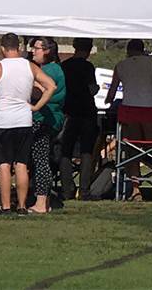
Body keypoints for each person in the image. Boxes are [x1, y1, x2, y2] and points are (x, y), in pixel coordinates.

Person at [0, 33, 57, 215]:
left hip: (3, 120)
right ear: (19, 47)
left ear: (2, 48)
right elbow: (51, 86)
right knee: (21, 164)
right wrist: (36, 106)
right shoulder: (29, 66)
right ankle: (23, 206)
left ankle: (7, 205)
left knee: (4, 164)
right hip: (24, 119)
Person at [105, 39, 152, 200]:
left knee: (132, 150)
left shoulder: (120, 65)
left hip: (129, 112)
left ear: (128, 51)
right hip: (151, 111)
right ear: (143, 49)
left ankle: (136, 189)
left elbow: (111, 93)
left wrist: (108, 101)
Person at [27, 37, 67, 213]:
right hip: (44, 118)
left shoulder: (51, 70)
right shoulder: (49, 69)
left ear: (47, 51)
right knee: (40, 158)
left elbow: (41, 91)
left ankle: (42, 201)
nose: (33, 51)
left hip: (45, 120)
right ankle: (42, 198)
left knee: (40, 158)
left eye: (36, 48)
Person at [59, 38, 100, 200]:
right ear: (89, 49)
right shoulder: (88, 67)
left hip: (68, 111)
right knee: (86, 151)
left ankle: (66, 188)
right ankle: (84, 190)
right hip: (87, 112)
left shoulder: (65, 66)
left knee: (65, 151)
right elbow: (92, 89)